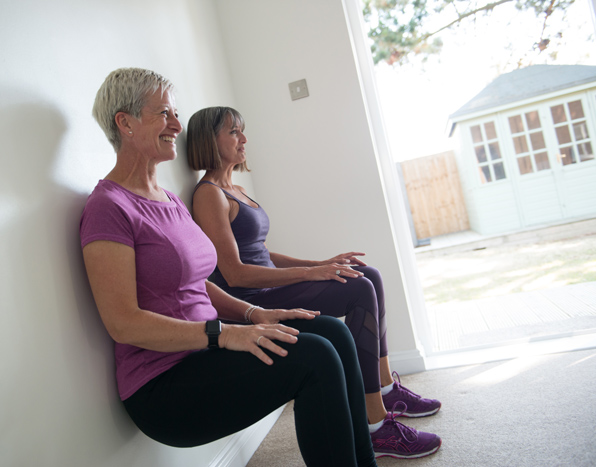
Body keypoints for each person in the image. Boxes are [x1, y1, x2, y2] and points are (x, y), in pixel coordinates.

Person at [80, 68, 380, 466]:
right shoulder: (108, 208)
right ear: (125, 122)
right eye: (164, 113)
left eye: (175, 113)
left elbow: (198, 283)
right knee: (315, 358)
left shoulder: (168, 199)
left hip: (206, 352)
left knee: (332, 331)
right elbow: (123, 323)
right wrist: (224, 335)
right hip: (164, 384)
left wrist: (257, 314)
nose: (176, 124)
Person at [187, 106, 442, 460]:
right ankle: (376, 425)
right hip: (254, 298)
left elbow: (262, 252)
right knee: (358, 288)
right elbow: (235, 273)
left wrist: (323, 264)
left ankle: (385, 389)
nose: (243, 139)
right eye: (233, 132)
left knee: (366, 275)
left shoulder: (237, 189)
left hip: (271, 284)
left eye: (242, 131)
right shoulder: (208, 194)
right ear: (209, 140)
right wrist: (311, 274)